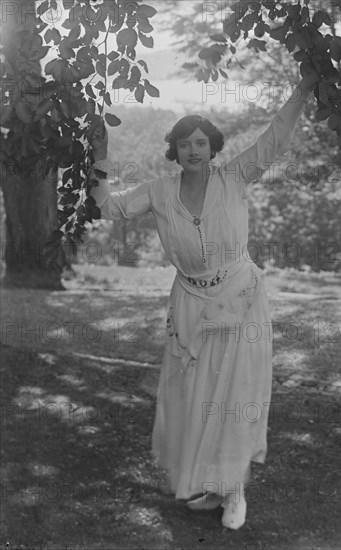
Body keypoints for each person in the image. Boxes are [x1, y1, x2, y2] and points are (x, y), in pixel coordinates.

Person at [88, 76, 315, 530]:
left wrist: (303, 88)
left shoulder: (234, 177)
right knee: (197, 397)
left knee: (233, 396)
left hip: (240, 299)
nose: (193, 150)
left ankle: (234, 492)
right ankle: (210, 485)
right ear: (175, 150)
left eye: (201, 143)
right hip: (190, 302)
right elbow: (105, 208)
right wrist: (98, 156)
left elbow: (275, 137)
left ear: (213, 148)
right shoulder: (156, 191)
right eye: (184, 144)